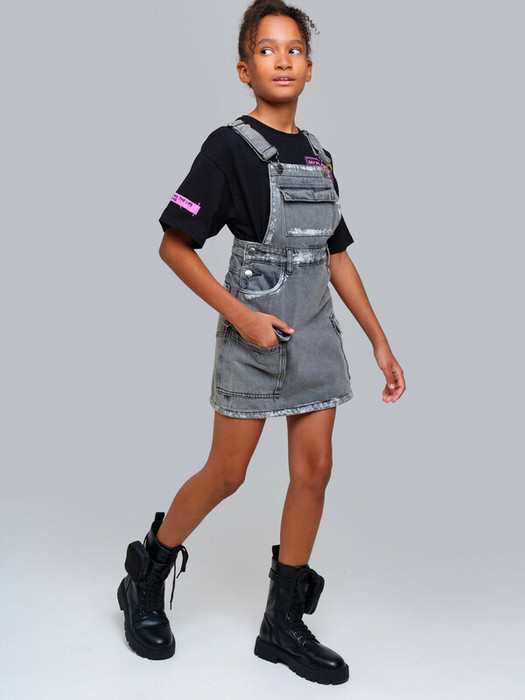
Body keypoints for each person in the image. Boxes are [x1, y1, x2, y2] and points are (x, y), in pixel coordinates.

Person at [117, 0, 405, 686]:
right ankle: (147, 569)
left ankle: (282, 623)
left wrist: (379, 339)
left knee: (315, 470)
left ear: (309, 67)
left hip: (315, 332)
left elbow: (335, 254)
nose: (282, 59)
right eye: (267, 49)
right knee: (228, 473)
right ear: (245, 68)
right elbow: (174, 245)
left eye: (294, 49)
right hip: (255, 333)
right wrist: (241, 316)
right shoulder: (229, 147)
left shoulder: (320, 157)